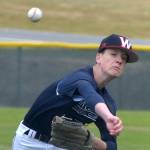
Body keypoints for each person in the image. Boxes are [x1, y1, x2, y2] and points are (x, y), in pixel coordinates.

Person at [12, 34, 138, 150]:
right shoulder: (78, 78)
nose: (119, 60)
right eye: (113, 54)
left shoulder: (109, 103)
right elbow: (90, 95)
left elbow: (111, 146)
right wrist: (108, 117)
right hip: (29, 142)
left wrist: (92, 141)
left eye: (124, 58)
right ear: (98, 57)